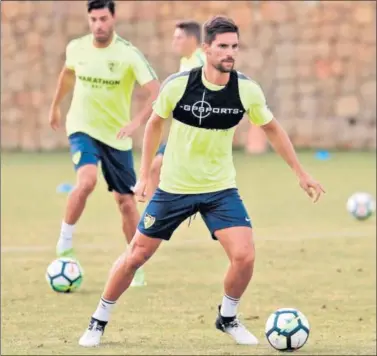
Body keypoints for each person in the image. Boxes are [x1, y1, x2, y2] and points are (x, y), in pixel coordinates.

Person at [78, 15, 325, 347]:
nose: (230, 53)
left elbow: (272, 129)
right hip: (174, 189)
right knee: (136, 255)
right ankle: (98, 321)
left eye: (234, 47)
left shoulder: (245, 90)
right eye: (223, 46)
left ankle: (227, 317)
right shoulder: (179, 85)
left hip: (220, 190)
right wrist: (144, 176)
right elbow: (154, 125)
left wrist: (301, 173)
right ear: (206, 48)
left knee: (245, 256)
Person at [48, 0, 160, 287]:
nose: (98, 25)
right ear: (89, 20)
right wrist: (55, 106)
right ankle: (65, 241)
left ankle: (134, 264)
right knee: (86, 181)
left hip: (116, 139)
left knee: (126, 203)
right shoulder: (77, 48)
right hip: (82, 128)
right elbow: (68, 74)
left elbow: (156, 91)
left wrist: (135, 122)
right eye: (93, 19)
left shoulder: (128, 54)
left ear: (113, 19)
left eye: (103, 19)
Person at [147, 20, 205, 199]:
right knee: (156, 167)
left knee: (158, 167)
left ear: (192, 39)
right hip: (182, 130)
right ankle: (152, 216)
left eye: (178, 38)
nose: (174, 42)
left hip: (197, 132)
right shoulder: (185, 62)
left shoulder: (202, 61)